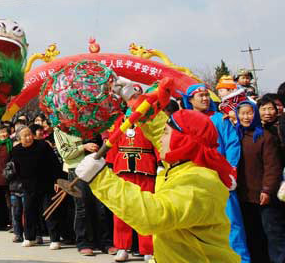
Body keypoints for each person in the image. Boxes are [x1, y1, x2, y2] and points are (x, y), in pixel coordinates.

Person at [77, 109, 240, 262]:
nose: (160, 138)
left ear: (181, 140)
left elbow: (153, 215)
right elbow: (165, 131)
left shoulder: (198, 182)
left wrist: (101, 178)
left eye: (166, 133)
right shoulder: (184, 166)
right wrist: (139, 104)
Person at [181, 83, 250, 262]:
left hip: (220, 179)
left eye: (206, 95)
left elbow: (232, 144)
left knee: (232, 223)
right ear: (190, 100)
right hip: (195, 180)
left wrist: (230, 170)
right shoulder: (183, 121)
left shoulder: (220, 119)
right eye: (200, 96)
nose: (205, 98)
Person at [103, 113, 159, 262]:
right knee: (122, 209)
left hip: (145, 168)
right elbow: (113, 141)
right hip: (123, 168)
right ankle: (122, 248)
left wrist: (160, 163)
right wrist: (109, 164)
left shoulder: (150, 118)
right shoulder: (119, 120)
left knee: (147, 209)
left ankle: (148, 249)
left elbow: (157, 141)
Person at [234, 101, 285, 262]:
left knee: (272, 234)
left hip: (263, 196)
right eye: (242, 113)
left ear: (255, 114)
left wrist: (267, 190)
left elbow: (273, 167)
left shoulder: (264, 136)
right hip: (243, 196)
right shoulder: (235, 136)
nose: (246, 117)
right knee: (252, 234)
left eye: (250, 113)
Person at [53, 127, 114, 256]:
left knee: (101, 206)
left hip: (96, 167)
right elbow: (65, 153)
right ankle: (83, 242)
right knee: (82, 208)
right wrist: (84, 147)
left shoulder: (88, 123)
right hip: (77, 170)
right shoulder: (59, 130)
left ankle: (105, 242)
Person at [6, 125, 59, 248]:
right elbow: (16, 168)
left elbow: (54, 163)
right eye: (25, 136)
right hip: (28, 186)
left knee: (49, 212)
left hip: (46, 184)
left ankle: (55, 239)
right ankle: (30, 237)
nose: (29, 137)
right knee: (29, 212)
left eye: (30, 134)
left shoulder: (43, 146)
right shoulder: (16, 150)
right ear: (19, 138)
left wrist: (57, 180)